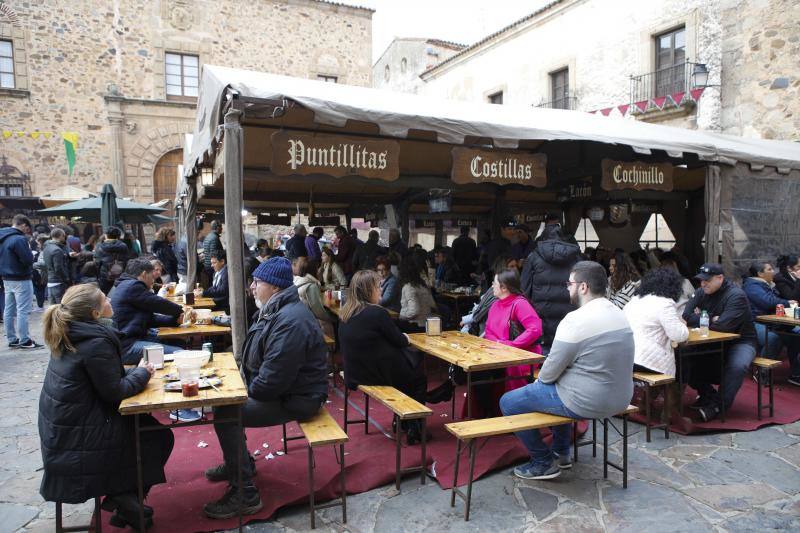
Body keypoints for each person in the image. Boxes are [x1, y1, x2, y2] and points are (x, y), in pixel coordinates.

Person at [38, 284, 173, 530]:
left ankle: (126, 502)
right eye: (104, 299)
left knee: (151, 430)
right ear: (95, 314)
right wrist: (143, 373)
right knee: (158, 436)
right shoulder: (94, 341)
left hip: (66, 428)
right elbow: (116, 392)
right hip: (79, 436)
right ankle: (125, 500)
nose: (110, 300)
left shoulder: (72, 331)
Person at [203, 257, 328, 519]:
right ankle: (241, 464)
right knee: (224, 403)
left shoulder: (290, 320)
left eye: (257, 282)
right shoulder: (275, 310)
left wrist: (243, 391)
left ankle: (245, 493)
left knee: (227, 412)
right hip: (287, 390)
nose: (252, 286)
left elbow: (274, 381)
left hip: (300, 398)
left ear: (274, 287)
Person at [500, 261, 634, 480]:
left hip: (588, 401)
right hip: (621, 398)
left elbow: (549, 372)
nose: (567, 288)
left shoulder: (575, 320)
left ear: (583, 287)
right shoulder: (620, 314)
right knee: (555, 390)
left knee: (509, 401)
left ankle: (543, 462)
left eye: (569, 283)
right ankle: (561, 453)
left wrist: (537, 385)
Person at [339, 270, 430, 443]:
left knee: (408, 375)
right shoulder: (377, 313)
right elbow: (399, 340)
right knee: (418, 379)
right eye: (378, 286)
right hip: (373, 374)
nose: (380, 290)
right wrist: (407, 338)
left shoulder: (345, 313)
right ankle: (414, 427)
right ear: (368, 290)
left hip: (355, 373)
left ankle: (403, 421)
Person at [682, 263, 758, 422]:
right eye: (701, 280)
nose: (703, 284)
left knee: (738, 365)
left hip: (741, 341)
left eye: (707, 280)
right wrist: (713, 318)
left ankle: (717, 406)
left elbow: (724, 326)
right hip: (713, 340)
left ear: (720, 278)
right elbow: (686, 315)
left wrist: (704, 318)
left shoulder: (736, 295)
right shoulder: (703, 291)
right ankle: (708, 394)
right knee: (684, 355)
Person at [110, 258, 186, 365]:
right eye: (152, 276)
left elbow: (150, 319)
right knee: (181, 354)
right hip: (127, 347)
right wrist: (181, 311)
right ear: (144, 274)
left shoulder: (126, 285)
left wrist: (175, 320)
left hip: (133, 340)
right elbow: (159, 304)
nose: (153, 280)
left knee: (179, 342)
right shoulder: (132, 286)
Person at [520, 224, 581, 353]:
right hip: (569, 315)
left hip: (541, 315)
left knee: (543, 357)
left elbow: (524, 288)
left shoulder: (533, 257)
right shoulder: (575, 257)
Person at [742, 261, 800, 385]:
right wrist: (787, 302)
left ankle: (795, 373)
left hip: (769, 322)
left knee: (795, 337)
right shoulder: (752, 286)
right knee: (772, 338)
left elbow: (774, 301)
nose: (773, 271)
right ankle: (762, 372)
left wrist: (785, 302)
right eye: (769, 269)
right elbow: (767, 302)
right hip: (753, 323)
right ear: (760, 273)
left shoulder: (767, 285)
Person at [624, 267, 689, 377]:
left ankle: (651, 394)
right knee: (684, 362)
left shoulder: (634, 301)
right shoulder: (664, 303)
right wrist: (683, 324)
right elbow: (679, 336)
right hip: (648, 361)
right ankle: (675, 394)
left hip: (627, 357)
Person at [485, 269, 543, 390]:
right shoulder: (495, 304)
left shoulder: (519, 304)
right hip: (499, 352)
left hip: (523, 355)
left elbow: (535, 329)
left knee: (500, 369)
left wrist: (511, 345)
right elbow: (488, 330)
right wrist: (498, 345)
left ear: (504, 287)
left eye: (494, 283)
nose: (492, 286)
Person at [0, 215, 41, 348]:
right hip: (21, 278)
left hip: (6, 277)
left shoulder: (2, 237)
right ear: (23, 225)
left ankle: (12, 339)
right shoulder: (19, 239)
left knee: (8, 310)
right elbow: (28, 259)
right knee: (23, 310)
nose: (27, 231)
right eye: (27, 228)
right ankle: (25, 339)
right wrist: (32, 255)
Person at [398, 256, 437, 332]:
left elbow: (414, 311)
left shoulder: (408, 287)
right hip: (426, 325)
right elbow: (432, 304)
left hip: (413, 326)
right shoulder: (423, 285)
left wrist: (402, 316)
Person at [292, 256, 332, 323]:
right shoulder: (311, 286)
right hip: (311, 322)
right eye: (317, 268)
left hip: (302, 320)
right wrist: (333, 319)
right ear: (313, 270)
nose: (318, 270)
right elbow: (319, 312)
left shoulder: (299, 281)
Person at [94, 226, 129, 294]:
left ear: (106, 235)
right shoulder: (123, 246)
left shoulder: (99, 246)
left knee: (104, 295)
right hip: (120, 275)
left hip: (104, 275)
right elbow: (126, 260)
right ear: (118, 236)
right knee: (119, 294)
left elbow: (97, 263)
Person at [42, 228, 73, 304]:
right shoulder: (57, 250)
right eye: (64, 236)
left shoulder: (47, 246)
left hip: (50, 281)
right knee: (60, 307)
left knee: (52, 307)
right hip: (58, 282)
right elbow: (58, 268)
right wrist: (67, 280)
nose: (64, 238)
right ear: (61, 236)